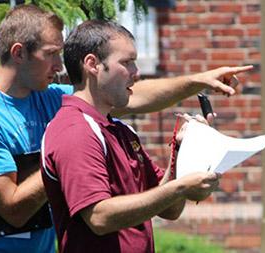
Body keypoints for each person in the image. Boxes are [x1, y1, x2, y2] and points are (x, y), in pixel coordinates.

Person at [0, 4, 252, 253]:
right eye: (51, 53)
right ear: (18, 53)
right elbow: (13, 210)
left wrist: (199, 82)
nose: (61, 64)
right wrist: (63, 157)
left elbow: (132, 97)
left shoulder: (50, 98)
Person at [41, 20, 222, 253]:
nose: (136, 73)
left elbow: (169, 209)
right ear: (92, 64)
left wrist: (184, 149)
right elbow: (99, 217)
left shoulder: (120, 131)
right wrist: (180, 187)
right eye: (127, 63)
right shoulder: (74, 130)